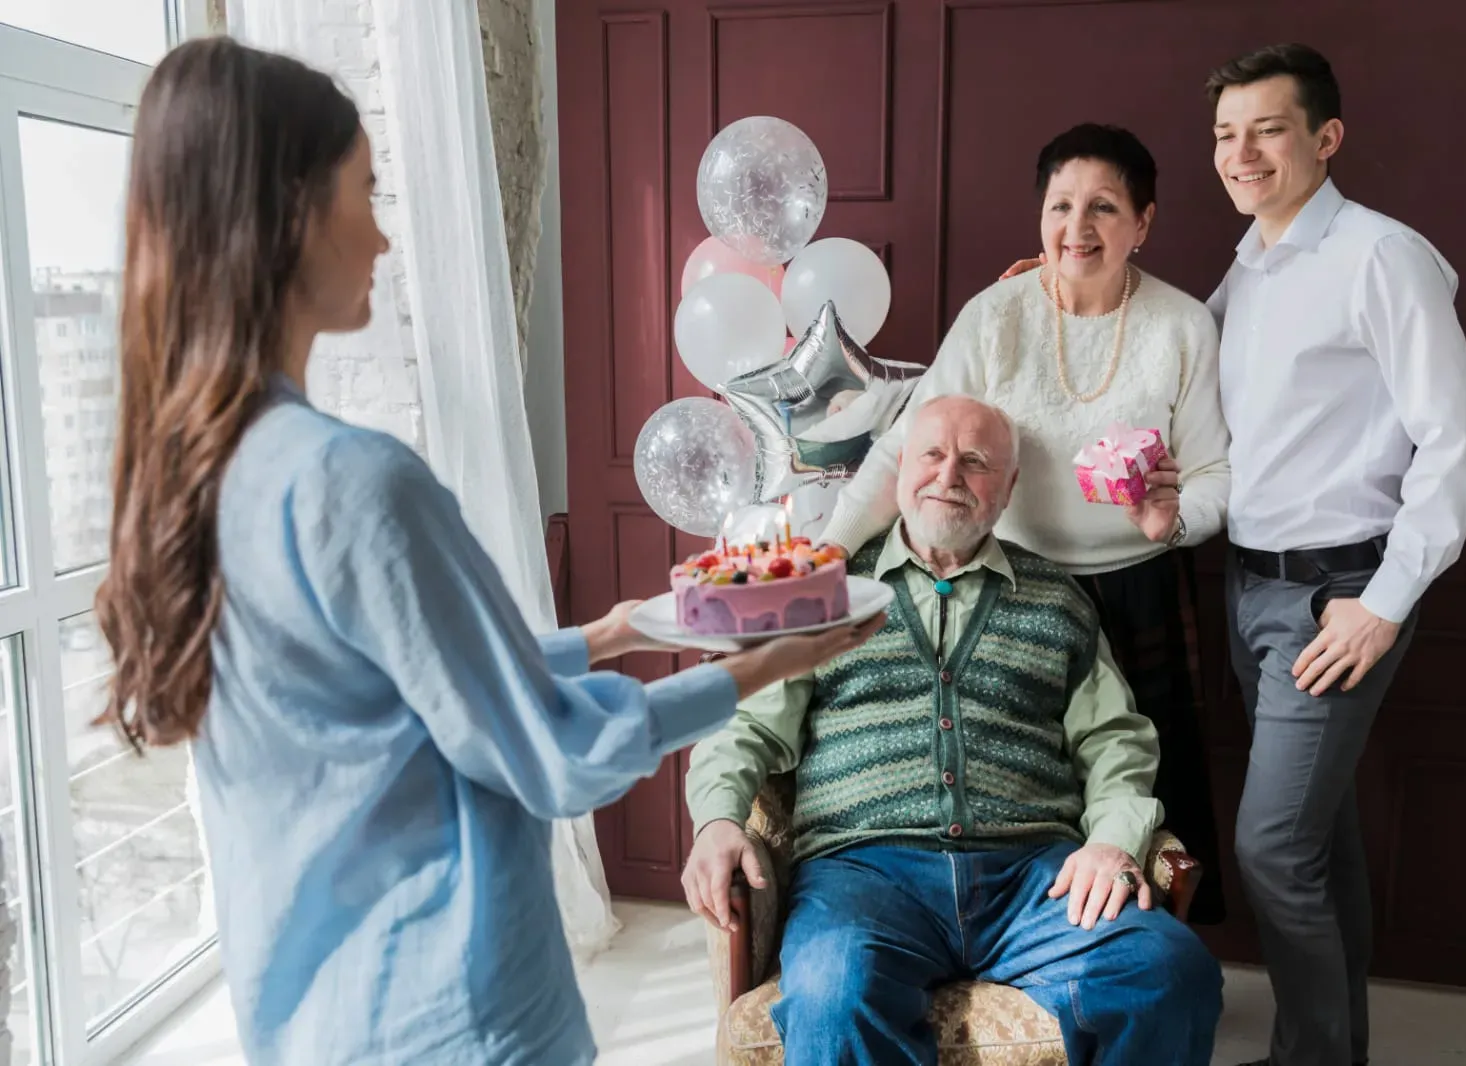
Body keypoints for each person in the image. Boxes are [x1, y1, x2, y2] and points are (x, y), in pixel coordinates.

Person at [93, 38, 882, 1066]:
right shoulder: (352, 479)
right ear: (288, 212)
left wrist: (600, 635)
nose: (382, 241)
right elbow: (555, 750)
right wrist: (766, 663)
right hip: (453, 1011)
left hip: (311, 1011)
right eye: (363, 195)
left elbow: (392, 701)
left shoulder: (197, 473)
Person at [684, 395, 1223, 1066]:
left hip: (1034, 877)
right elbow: (745, 728)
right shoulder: (824, 594)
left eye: (976, 461)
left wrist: (1112, 841)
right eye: (932, 454)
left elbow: (1116, 741)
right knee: (832, 993)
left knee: (1171, 972)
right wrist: (716, 821)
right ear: (901, 466)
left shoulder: (1057, 599)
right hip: (864, 872)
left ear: (1010, 486)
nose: (949, 476)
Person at [822, 124, 1232, 922]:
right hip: (1006, 582)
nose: (1076, 229)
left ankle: (1143, 948)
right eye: (1061, 206)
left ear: (1142, 224)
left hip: (1139, 587)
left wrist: (1171, 522)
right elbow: (910, 443)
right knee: (1012, 785)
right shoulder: (995, 313)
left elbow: (1217, 474)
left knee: (1147, 785)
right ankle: (1020, 932)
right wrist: (827, 553)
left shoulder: (1184, 325)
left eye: (1104, 208)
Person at [1204, 45, 1466, 1066]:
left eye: (1266, 129)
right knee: (1314, 839)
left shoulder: (1380, 255)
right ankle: (1335, 1051)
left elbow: (1459, 439)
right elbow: (1189, 390)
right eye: (1225, 134)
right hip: (1250, 586)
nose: (1240, 153)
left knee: (1270, 844)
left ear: (1324, 138)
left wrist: (1384, 599)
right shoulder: (1246, 264)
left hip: (1340, 593)